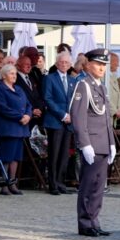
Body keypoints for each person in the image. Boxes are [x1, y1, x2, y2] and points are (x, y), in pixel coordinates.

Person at [70, 49, 116, 237]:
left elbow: (106, 118)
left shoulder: (101, 87)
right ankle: (85, 223)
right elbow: (78, 117)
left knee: (99, 187)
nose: (101, 68)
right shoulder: (83, 85)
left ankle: (94, 221)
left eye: (104, 65)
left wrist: (112, 143)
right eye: (98, 64)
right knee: (88, 185)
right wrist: (84, 143)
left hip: (103, 142)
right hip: (92, 144)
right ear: (87, 65)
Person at [0, 63, 32, 196]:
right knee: (6, 157)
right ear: (3, 76)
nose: (14, 76)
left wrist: (28, 115)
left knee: (16, 157)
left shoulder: (19, 89)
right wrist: (20, 117)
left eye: (15, 73)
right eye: (11, 74)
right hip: (7, 128)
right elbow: (2, 107)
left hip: (20, 128)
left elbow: (28, 104)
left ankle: (12, 183)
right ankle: (4, 185)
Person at [43, 51, 75, 195]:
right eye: (61, 62)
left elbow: (75, 101)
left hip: (69, 122)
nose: (64, 64)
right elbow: (48, 98)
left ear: (70, 65)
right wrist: (62, 115)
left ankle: (61, 183)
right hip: (55, 120)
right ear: (56, 64)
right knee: (54, 154)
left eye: (66, 62)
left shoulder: (73, 80)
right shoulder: (49, 78)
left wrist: (72, 115)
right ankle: (53, 184)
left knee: (64, 154)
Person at [107, 52, 120, 127]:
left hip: (114, 117)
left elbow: (118, 95)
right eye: (116, 62)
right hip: (108, 115)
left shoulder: (113, 76)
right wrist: (114, 111)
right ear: (109, 62)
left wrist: (119, 110)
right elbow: (106, 97)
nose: (118, 65)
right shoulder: (103, 77)